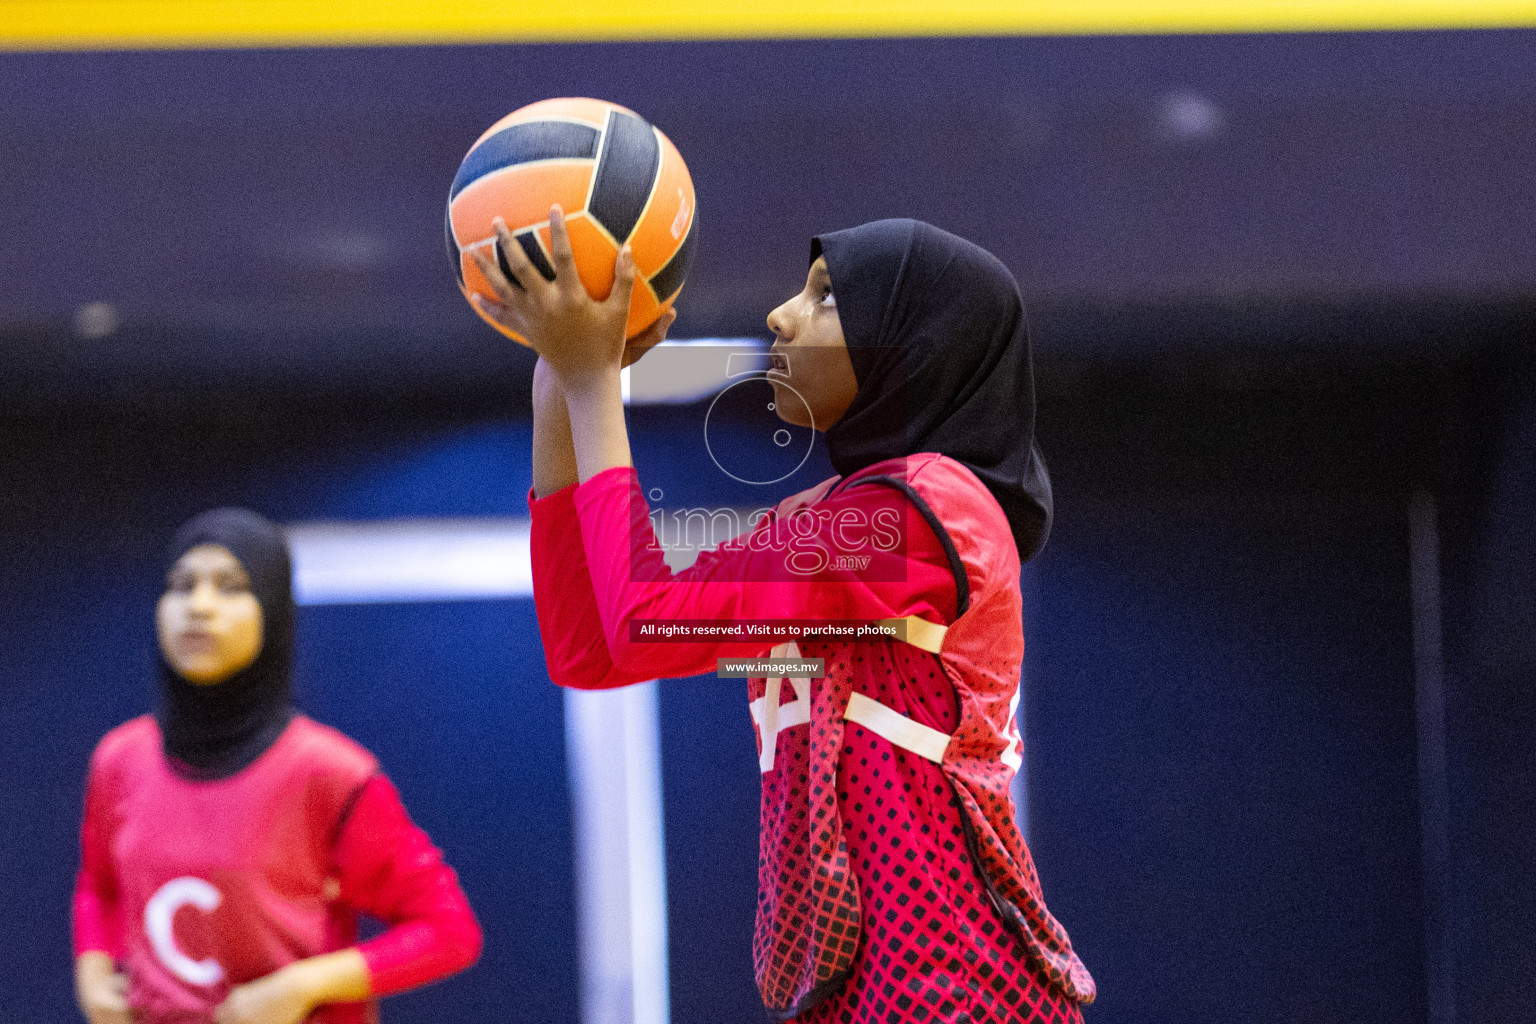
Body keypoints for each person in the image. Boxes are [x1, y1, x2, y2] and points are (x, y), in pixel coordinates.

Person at [472, 210, 1094, 1023]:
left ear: (911, 345)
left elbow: (641, 621)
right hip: (853, 990)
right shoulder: (831, 516)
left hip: (961, 987)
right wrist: (557, 388)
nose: (780, 313)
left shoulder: (929, 512)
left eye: (827, 295)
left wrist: (595, 384)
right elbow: (595, 649)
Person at [73, 508, 483, 1024]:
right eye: (181, 585)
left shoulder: (330, 772)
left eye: (230, 586)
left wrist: (301, 986)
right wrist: (92, 967)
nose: (198, 607)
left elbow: (449, 931)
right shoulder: (119, 758)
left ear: (272, 610)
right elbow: (100, 884)